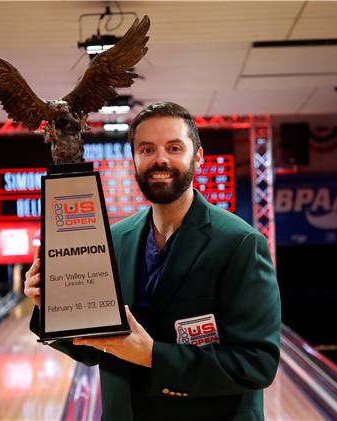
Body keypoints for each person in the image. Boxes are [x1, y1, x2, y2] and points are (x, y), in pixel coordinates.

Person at [25, 102, 281, 420]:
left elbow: (257, 364)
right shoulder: (114, 240)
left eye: (174, 147)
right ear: (134, 159)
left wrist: (152, 356)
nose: (160, 159)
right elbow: (91, 346)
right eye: (147, 149)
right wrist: (50, 307)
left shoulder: (240, 243)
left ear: (197, 157)